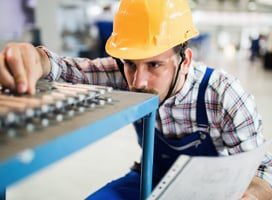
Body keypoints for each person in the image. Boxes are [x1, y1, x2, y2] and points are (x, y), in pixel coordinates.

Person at [0, 0, 272, 199]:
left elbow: (264, 168)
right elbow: (66, 68)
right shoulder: (123, 73)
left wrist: (254, 194)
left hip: (212, 191)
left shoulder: (223, 94)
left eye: (155, 65)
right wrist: (35, 59)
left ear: (185, 60)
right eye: (130, 64)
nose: (138, 82)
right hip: (151, 177)